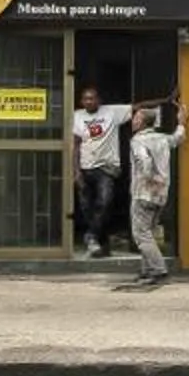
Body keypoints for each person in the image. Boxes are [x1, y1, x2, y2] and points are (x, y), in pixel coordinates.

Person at [121, 97, 183, 289]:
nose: (133, 121)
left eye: (137, 118)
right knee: (148, 232)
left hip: (144, 192)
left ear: (143, 123)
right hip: (161, 194)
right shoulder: (162, 138)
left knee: (141, 234)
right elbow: (178, 138)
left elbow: (144, 162)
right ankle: (146, 271)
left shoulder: (137, 140)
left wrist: (147, 177)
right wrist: (181, 122)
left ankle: (158, 270)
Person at [67, 87, 131, 258]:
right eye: (86, 99)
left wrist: (166, 100)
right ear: (82, 101)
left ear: (99, 100)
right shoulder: (78, 115)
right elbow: (75, 145)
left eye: (92, 98)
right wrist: (76, 172)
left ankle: (91, 236)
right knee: (87, 208)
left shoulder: (111, 112)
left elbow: (139, 106)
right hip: (85, 168)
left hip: (105, 168)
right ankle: (101, 245)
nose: (89, 101)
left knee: (105, 202)